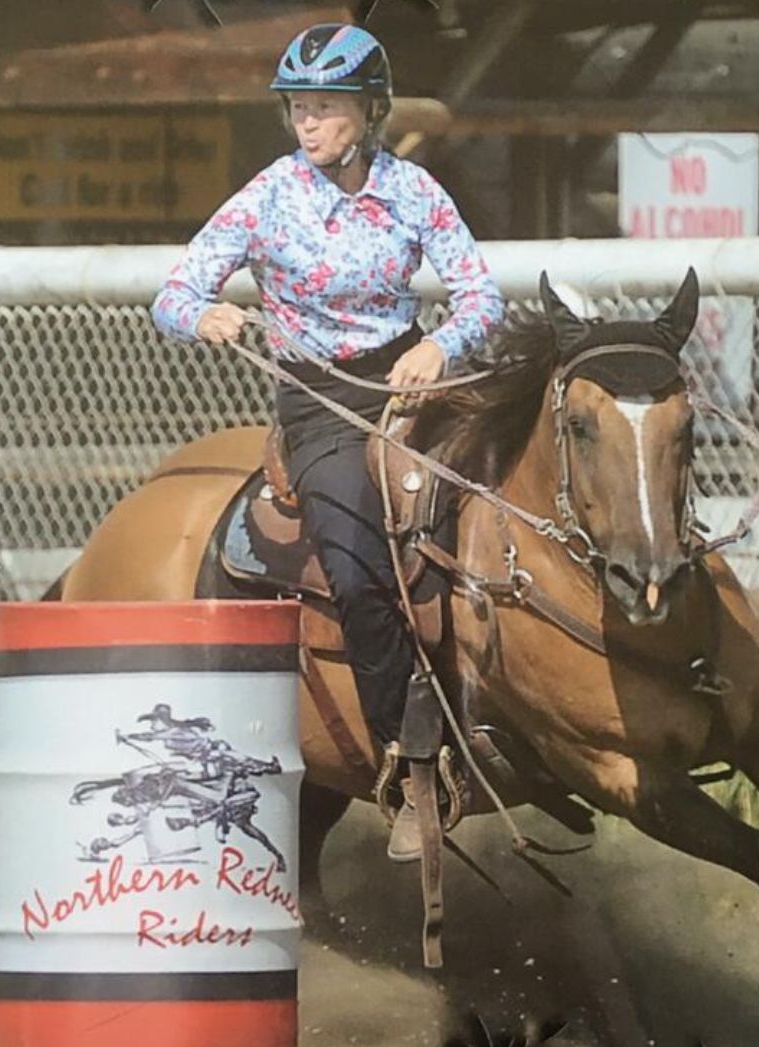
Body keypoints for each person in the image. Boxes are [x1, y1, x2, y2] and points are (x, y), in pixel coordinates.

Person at [151, 22, 505, 862]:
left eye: (325, 108)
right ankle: (408, 767)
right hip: (320, 400)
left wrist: (439, 345)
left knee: (503, 510)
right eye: (298, 109)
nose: (307, 124)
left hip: (415, 383)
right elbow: (171, 293)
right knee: (354, 562)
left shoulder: (414, 190)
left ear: (369, 111)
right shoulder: (267, 195)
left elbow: (480, 296)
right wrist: (208, 312)